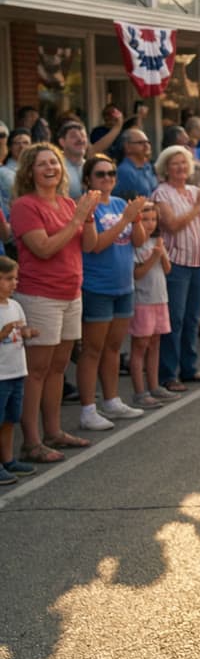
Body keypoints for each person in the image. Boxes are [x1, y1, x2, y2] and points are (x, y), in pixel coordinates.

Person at [11, 144, 100, 462]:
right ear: (29, 171)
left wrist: (88, 217)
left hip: (71, 293)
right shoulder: (24, 206)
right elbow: (44, 248)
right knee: (36, 370)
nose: (50, 168)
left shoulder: (67, 203)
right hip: (40, 296)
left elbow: (89, 246)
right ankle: (31, 442)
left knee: (58, 368)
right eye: (42, 164)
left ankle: (53, 432)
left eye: (54, 162)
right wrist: (77, 218)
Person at [74, 155, 147, 430]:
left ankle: (111, 400)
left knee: (114, 347)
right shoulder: (86, 206)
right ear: (88, 179)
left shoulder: (118, 203)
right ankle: (87, 409)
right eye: (100, 174)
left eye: (111, 173)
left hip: (124, 285)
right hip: (97, 286)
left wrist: (135, 219)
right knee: (92, 349)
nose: (107, 178)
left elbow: (138, 241)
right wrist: (125, 219)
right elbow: (94, 246)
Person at [153, 146, 200, 392]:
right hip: (177, 262)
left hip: (199, 260)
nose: (181, 167)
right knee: (175, 319)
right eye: (175, 163)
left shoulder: (193, 191)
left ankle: (189, 367)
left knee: (192, 318)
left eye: (184, 162)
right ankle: (168, 373)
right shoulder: (161, 193)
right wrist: (196, 207)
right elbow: (171, 225)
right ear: (166, 168)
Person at [129, 203, 176, 410]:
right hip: (143, 300)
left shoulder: (157, 240)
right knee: (140, 345)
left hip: (160, 298)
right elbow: (137, 274)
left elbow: (167, 269)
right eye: (145, 220)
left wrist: (162, 254)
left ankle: (154, 385)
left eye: (153, 220)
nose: (150, 224)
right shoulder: (137, 244)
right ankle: (140, 392)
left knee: (155, 343)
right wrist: (154, 257)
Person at [0, 256, 39, 484]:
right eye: (7, 279)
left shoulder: (15, 306)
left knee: (9, 419)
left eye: (15, 279)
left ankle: (8, 459)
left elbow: (22, 330)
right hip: (1, 375)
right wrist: (3, 333)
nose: (14, 283)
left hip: (16, 372)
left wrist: (28, 332)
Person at [114, 128, 158, 202]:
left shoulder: (149, 167)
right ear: (127, 146)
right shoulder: (124, 172)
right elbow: (124, 203)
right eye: (140, 142)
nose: (146, 145)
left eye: (148, 142)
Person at [0, 128, 32, 219]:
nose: (21, 146)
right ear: (10, 147)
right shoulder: (3, 172)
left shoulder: (38, 168)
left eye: (26, 143)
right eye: (17, 143)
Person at [55, 121, 88, 200]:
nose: (80, 139)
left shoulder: (92, 166)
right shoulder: (55, 168)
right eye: (74, 136)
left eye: (83, 136)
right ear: (62, 142)